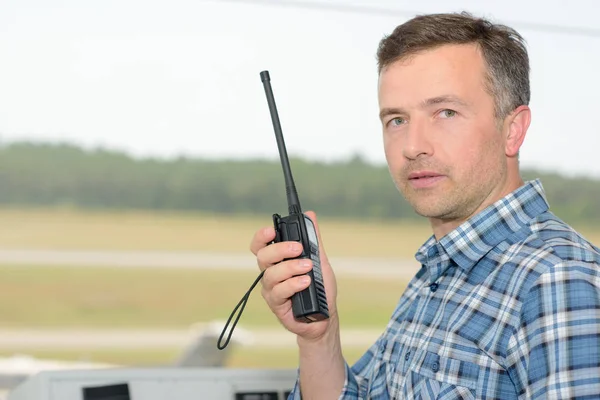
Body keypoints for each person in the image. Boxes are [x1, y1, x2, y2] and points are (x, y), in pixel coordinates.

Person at [250, 11, 600, 399]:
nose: (413, 146)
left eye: (445, 113)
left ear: (512, 130)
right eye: (396, 120)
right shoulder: (436, 275)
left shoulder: (557, 280)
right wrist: (318, 337)